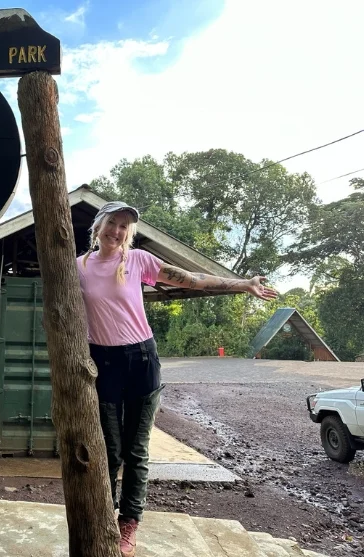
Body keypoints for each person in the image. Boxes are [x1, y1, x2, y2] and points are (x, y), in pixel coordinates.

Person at [76, 201, 278, 557]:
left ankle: (129, 522)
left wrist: (243, 284)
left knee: (136, 449)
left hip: (141, 359)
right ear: (98, 225)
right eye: (112, 222)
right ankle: (104, 514)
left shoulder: (138, 260)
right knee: (108, 448)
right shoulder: (78, 267)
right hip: (103, 362)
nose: (117, 231)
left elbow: (193, 279)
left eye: (124, 226)